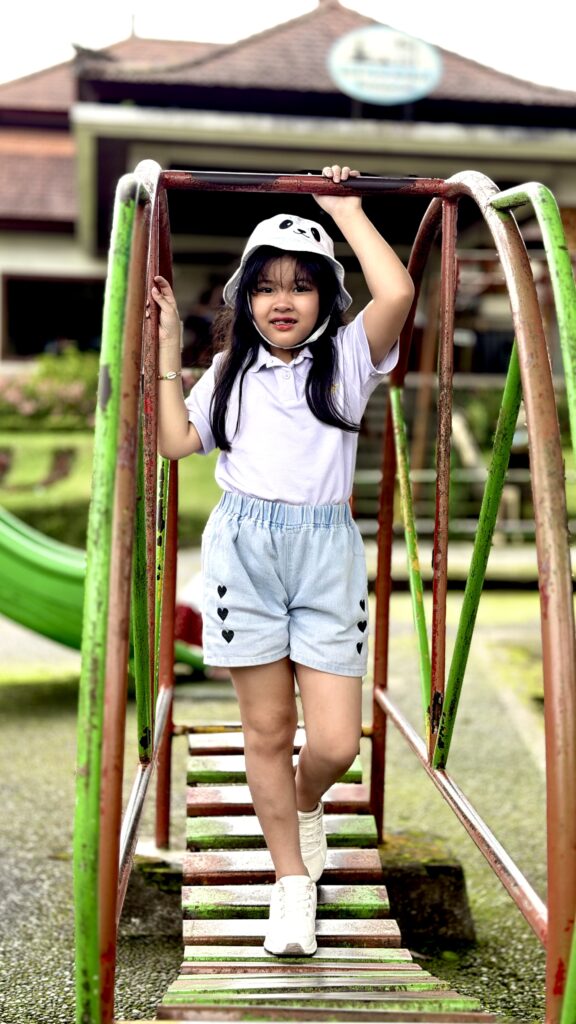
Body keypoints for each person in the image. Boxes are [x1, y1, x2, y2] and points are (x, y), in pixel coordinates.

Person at [151, 163, 414, 957]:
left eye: (301, 285)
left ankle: (304, 802)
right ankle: (291, 883)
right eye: (265, 287)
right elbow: (175, 443)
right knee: (266, 730)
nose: (282, 301)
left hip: (326, 552)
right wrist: (167, 348)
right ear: (245, 300)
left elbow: (397, 292)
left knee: (334, 743)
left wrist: (346, 211)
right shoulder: (229, 373)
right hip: (245, 553)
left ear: (326, 297)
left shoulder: (348, 360)